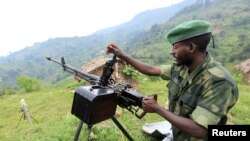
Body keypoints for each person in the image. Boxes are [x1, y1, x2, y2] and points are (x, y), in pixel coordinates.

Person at [106, 20, 239, 141]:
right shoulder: (183, 67)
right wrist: (122, 55)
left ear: (191, 48)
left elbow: (200, 130)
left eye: (175, 47)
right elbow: (152, 70)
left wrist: (158, 109)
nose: (171, 52)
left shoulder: (219, 82)